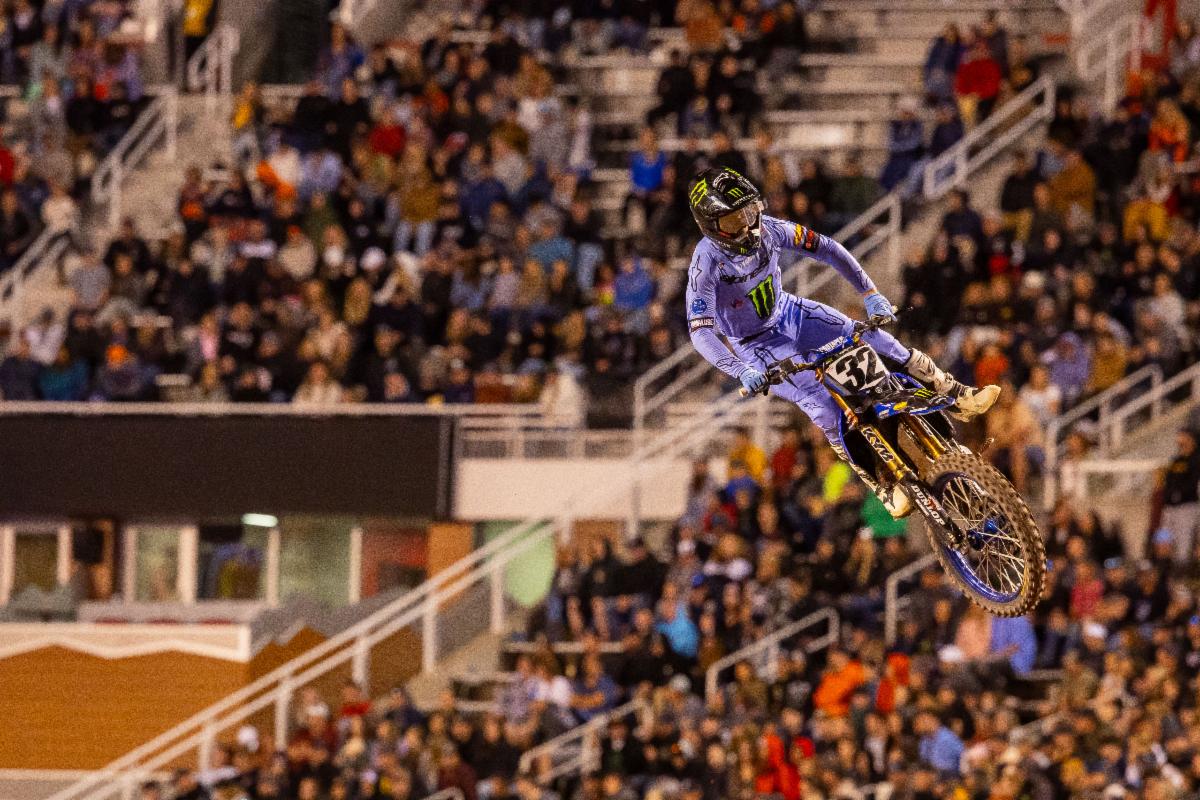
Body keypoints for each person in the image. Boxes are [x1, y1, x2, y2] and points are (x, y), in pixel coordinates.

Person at [684, 167, 999, 518]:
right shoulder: (705, 265)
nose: (747, 226)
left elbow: (826, 248)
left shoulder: (770, 229)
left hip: (791, 312)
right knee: (825, 407)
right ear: (710, 226)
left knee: (870, 335)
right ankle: (881, 485)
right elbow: (700, 331)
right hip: (756, 344)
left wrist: (871, 294)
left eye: (750, 212)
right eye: (733, 221)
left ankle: (954, 394)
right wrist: (740, 370)